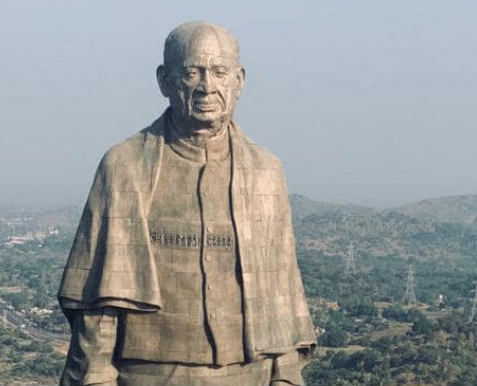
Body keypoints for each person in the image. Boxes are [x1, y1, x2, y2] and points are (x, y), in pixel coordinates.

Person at [57, 21, 316, 386]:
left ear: (239, 81)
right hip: (148, 374)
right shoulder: (125, 165)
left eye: (219, 72)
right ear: (164, 80)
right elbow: (99, 298)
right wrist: (97, 374)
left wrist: (285, 375)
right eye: (192, 72)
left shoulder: (266, 171)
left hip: (248, 373)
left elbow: (282, 289)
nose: (207, 87)